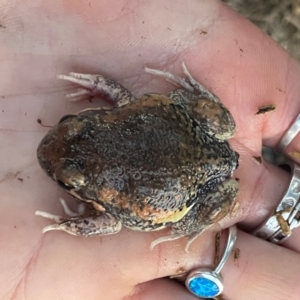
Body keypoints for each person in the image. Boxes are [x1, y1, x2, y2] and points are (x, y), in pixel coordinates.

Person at [1, 1, 300, 299]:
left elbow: (111, 222)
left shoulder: (109, 186)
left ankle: (189, 223)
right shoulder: (112, 123)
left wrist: (69, 224)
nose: (66, 124)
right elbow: (119, 96)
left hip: (202, 184)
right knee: (208, 125)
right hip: (193, 137)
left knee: (187, 218)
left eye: (71, 122)